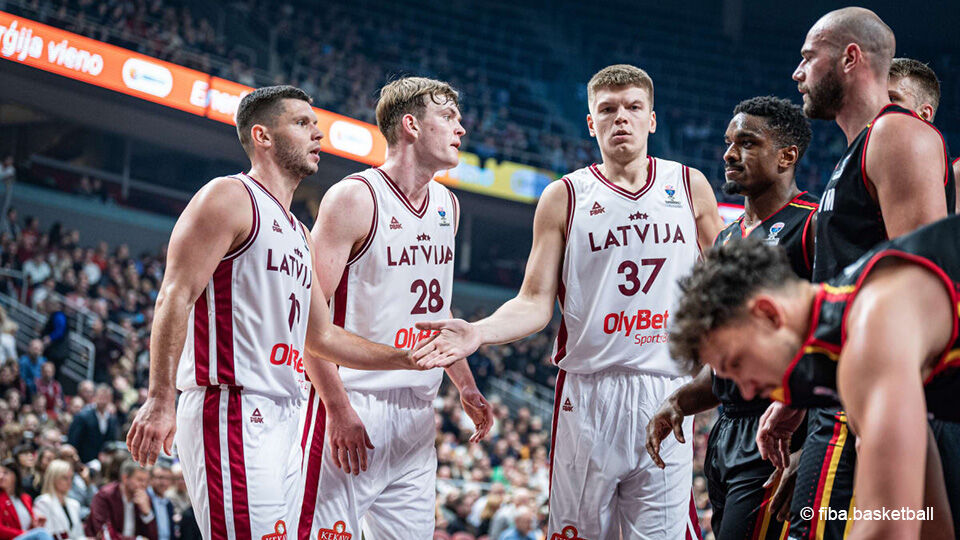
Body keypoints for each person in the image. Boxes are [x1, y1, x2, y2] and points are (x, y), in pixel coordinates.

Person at [415, 64, 722, 539]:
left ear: (653, 119)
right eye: (608, 109)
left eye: (633, 108)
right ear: (590, 122)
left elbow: (725, 287)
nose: (621, 118)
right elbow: (534, 303)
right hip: (588, 393)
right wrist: (478, 332)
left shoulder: (689, 185)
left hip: (667, 390)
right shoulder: (565, 196)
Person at [125, 85, 432, 540]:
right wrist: (159, 397)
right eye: (303, 123)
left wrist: (407, 358)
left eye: (316, 124)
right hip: (231, 404)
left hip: (287, 412)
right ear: (263, 136)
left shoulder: (297, 231)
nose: (318, 133)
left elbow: (323, 338)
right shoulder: (229, 196)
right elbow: (175, 294)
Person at [669, 215, 960, 539]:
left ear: (768, 314)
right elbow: (928, 520)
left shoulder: (869, 332)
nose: (747, 392)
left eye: (737, 364)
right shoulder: (850, 328)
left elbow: (887, 528)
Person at [295, 77, 492, 540]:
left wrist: (464, 384)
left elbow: (437, 312)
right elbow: (308, 318)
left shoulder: (448, 204)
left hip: (418, 413)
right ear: (411, 126)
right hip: (353, 401)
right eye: (448, 117)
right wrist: (338, 409)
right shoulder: (355, 197)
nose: (461, 128)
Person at [646, 96, 816, 539]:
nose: (728, 153)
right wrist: (680, 402)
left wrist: (811, 446)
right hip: (725, 433)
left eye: (746, 142)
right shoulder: (724, 238)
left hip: (779, 432)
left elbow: (835, 339)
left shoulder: (813, 226)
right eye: (727, 142)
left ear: (786, 156)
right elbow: (722, 366)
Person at [85, 460, 157, 540]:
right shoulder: (105, 496)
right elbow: (105, 534)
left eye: (146, 481)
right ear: (125, 478)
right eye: (140, 480)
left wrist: (147, 513)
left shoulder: (144, 498)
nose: (144, 485)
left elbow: (153, 537)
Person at [32, 460, 84, 540]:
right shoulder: (43, 502)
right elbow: (46, 535)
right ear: (54, 478)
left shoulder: (74, 504)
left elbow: (79, 535)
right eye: (65, 478)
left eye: (71, 478)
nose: (69, 482)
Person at [0, 459, 50, 540]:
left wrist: (35, 524)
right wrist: (24, 534)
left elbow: (28, 528)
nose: (1, 477)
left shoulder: (26, 498)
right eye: (0, 473)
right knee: (41, 533)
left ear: (15, 476)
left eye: (5, 473)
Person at [67, 384, 117, 464]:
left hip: (102, 463)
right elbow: (73, 440)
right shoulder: (83, 416)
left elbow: (111, 441)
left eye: (106, 397)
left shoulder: (112, 419)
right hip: (83, 461)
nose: (103, 400)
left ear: (110, 399)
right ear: (95, 397)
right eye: (101, 396)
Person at [147, 464, 175, 540]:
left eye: (168, 479)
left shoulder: (169, 503)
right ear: (151, 479)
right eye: (160, 478)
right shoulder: (145, 498)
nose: (164, 483)